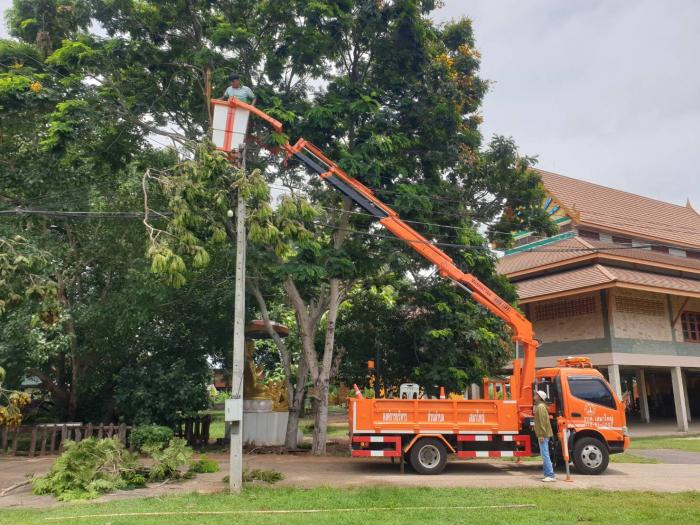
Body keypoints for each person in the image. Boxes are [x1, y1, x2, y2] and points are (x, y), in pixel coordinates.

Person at [534, 390, 556, 482]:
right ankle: (547, 474)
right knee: (544, 454)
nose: (534, 396)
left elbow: (542, 422)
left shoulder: (540, 407)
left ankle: (550, 475)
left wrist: (542, 434)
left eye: (536, 395)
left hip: (543, 434)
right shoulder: (540, 406)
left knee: (545, 454)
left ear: (540, 397)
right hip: (543, 434)